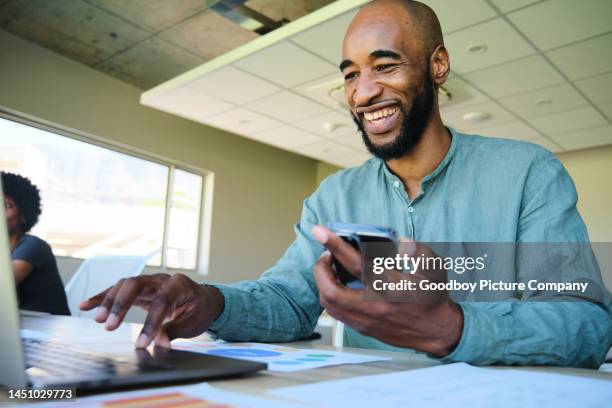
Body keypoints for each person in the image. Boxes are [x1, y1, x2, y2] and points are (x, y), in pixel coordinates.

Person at [80, 0, 611, 367]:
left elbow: (586, 324)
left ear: (438, 66)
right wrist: (210, 303)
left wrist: (452, 327)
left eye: (386, 65)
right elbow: (289, 301)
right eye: (351, 74)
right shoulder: (332, 198)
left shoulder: (527, 173)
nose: (364, 92)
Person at [2, 172, 70, 315]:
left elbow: (4, 285)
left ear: (23, 214)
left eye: (6, 205)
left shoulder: (33, 246)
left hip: (51, 331)